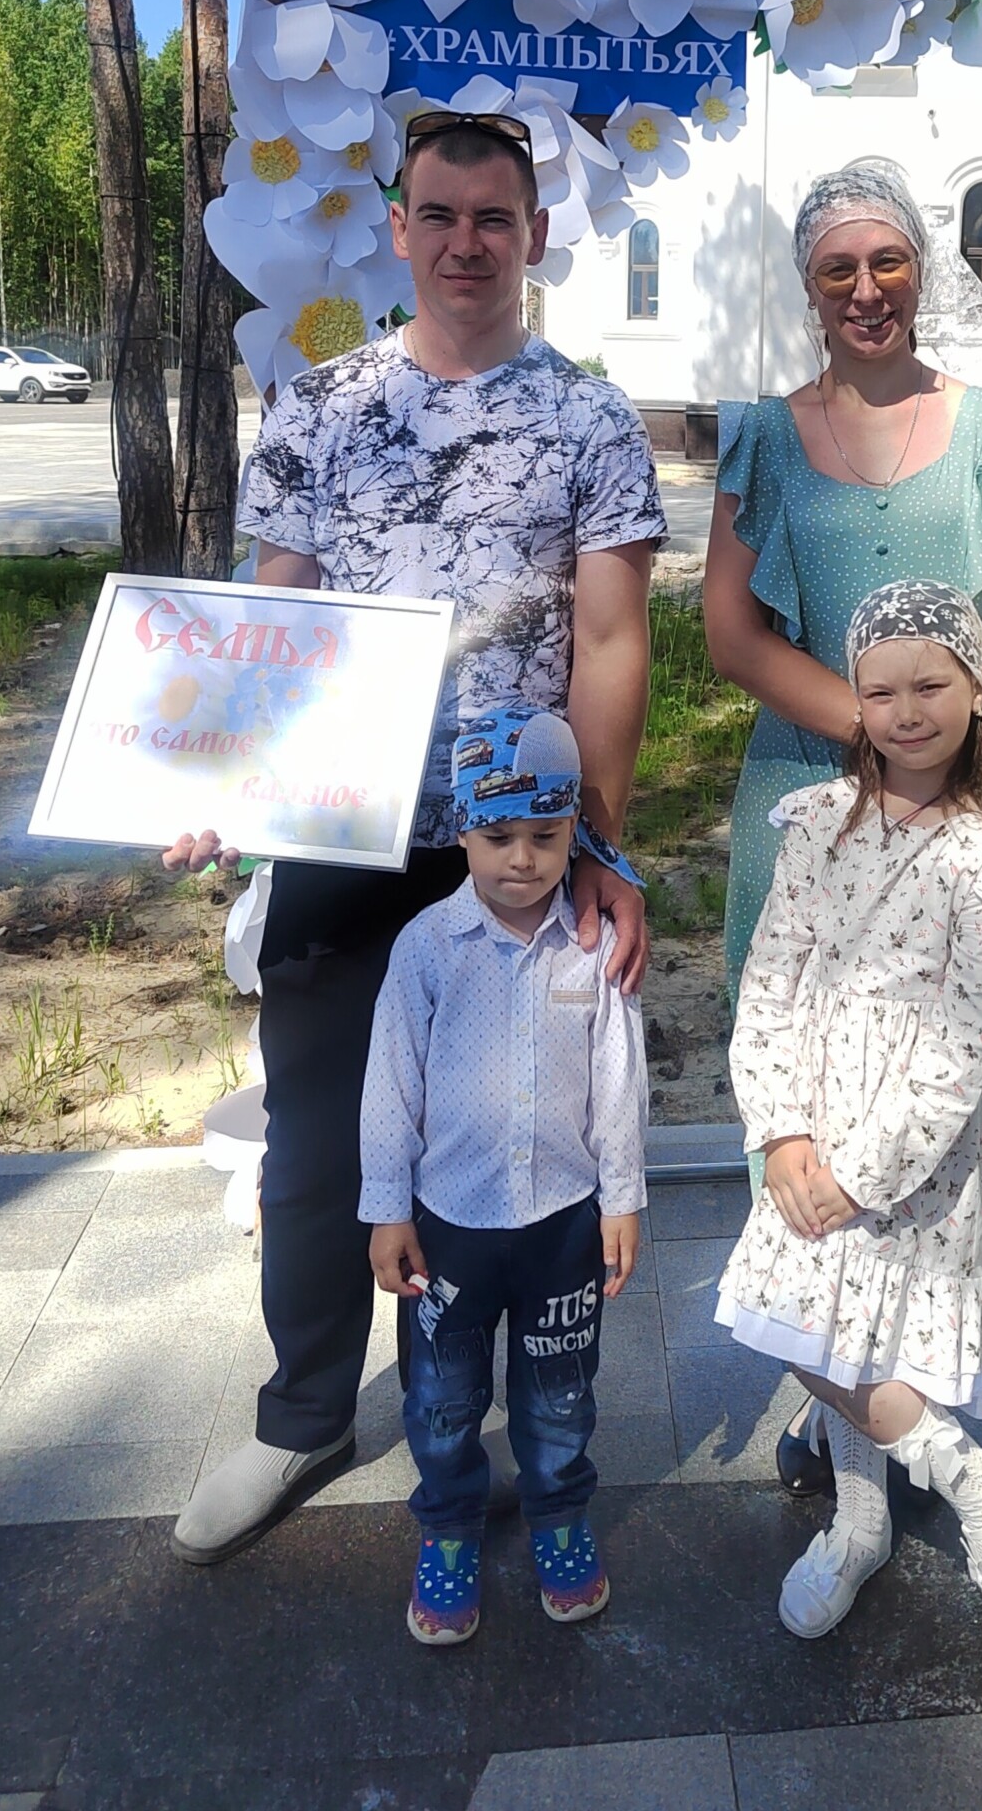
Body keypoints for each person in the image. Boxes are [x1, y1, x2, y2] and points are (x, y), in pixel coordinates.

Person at [168, 108, 664, 1567]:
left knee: (505, 1143)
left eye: (492, 219)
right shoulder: (318, 406)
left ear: (534, 237)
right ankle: (305, 1410)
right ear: (398, 229)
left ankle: (489, 1417)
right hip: (339, 828)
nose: (464, 242)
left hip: (509, 851)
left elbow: (615, 639)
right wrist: (227, 781)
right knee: (319, 1136)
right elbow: (275, 616)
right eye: (438, 215)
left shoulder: (590, 418)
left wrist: (604, 848)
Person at [702, 156, 982, 1490]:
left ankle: (927, 1385)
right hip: (811, 806)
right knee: (803, 1081)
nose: (866, 289)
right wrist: (883, 727)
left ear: (923, 269)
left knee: (945, 1094)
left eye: (887, 261)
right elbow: (730, 629)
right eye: (837, 268)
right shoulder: (764, 436)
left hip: (962, 811)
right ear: (809, 287)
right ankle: (849, 1392)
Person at [717, 580, 982, 1638]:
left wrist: (861, 1171)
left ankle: (911, 1510)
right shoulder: (821, 824)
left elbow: (961, 1051)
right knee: (800, 1327)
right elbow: (769, 979)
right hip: (812, 1118)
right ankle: (971, 1492)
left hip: (918, 1151)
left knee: (874, 1337)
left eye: (931, 685)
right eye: (881, 690)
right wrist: (782, 1129)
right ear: (855, 700)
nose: (906, 711)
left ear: (975, 691)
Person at [363, 702, 647, 1646]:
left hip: (564, 1222)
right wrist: (386, 1209)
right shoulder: (425, 951)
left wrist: (624, 1198)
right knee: (442, 1397)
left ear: (575, 832)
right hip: (448, 1225)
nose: (521, 858)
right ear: (461, 829)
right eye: (496, 836)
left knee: (560, 1391)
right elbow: (389, 1085)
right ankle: (446, 1530)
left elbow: (619, 1079)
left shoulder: (594, 949)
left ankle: (559, 1514)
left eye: (545, 836)